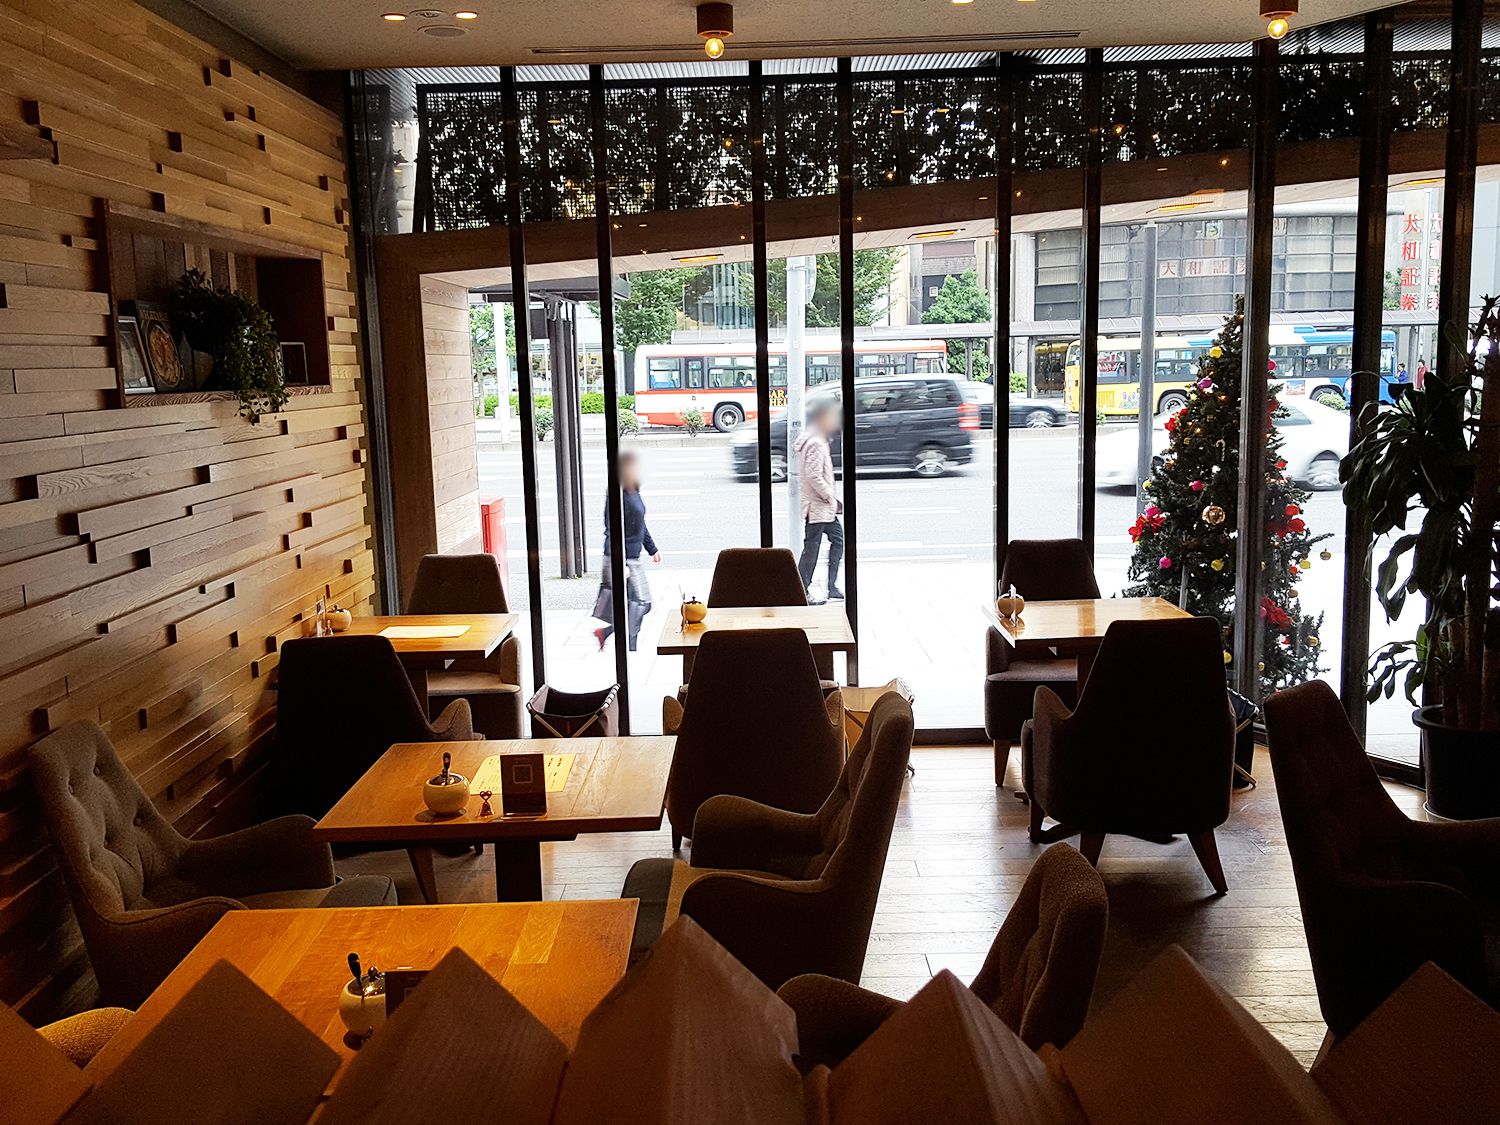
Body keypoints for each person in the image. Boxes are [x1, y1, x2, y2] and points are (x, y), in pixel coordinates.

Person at [593, 451, 661, 652]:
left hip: (632, 558)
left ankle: (609, 634)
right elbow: (611, 529)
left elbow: (641, 524)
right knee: (638, 603)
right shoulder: (617, 495)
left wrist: (652, 549)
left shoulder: (633, 491)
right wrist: (618, 560)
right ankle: (629, 648)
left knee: (640, 604)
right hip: (620, 558)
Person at [795, 399, 844, 603]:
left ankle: (830, 586)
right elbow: (813, 475)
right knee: (812, 550)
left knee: (835, 541)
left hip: (823, 507)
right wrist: (829, 496)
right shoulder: (816, 442)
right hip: (818, 506)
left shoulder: (818, 439)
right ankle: (801, 591)